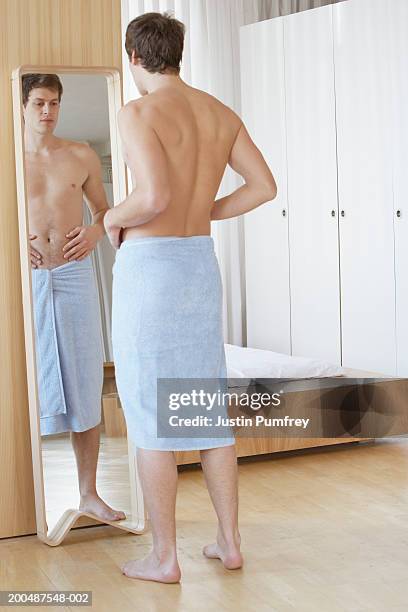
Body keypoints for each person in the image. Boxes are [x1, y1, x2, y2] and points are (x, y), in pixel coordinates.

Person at [104, 11, 277, 583]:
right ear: (179, 53)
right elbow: (263, 186)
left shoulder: (138, 112)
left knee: (152, 415)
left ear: (134, 57)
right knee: (205, 409)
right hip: (198, 266)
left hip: (151, 270)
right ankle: (228, 543)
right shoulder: (218, 112)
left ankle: (164, 557)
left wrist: (110, 215)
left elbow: (151, 195)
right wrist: (208, 210)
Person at [23, 73, 125, 523]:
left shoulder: (80, 154)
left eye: (55, 103)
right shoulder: (8, 156)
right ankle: (22, 502)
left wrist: (93, 230)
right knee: (23, 385)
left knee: (85, 380)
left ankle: (89, 493)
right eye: (40, 102)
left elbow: (105, 213)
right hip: (25, 280)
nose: (48, 111)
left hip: (74, 274)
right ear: (22, 104)